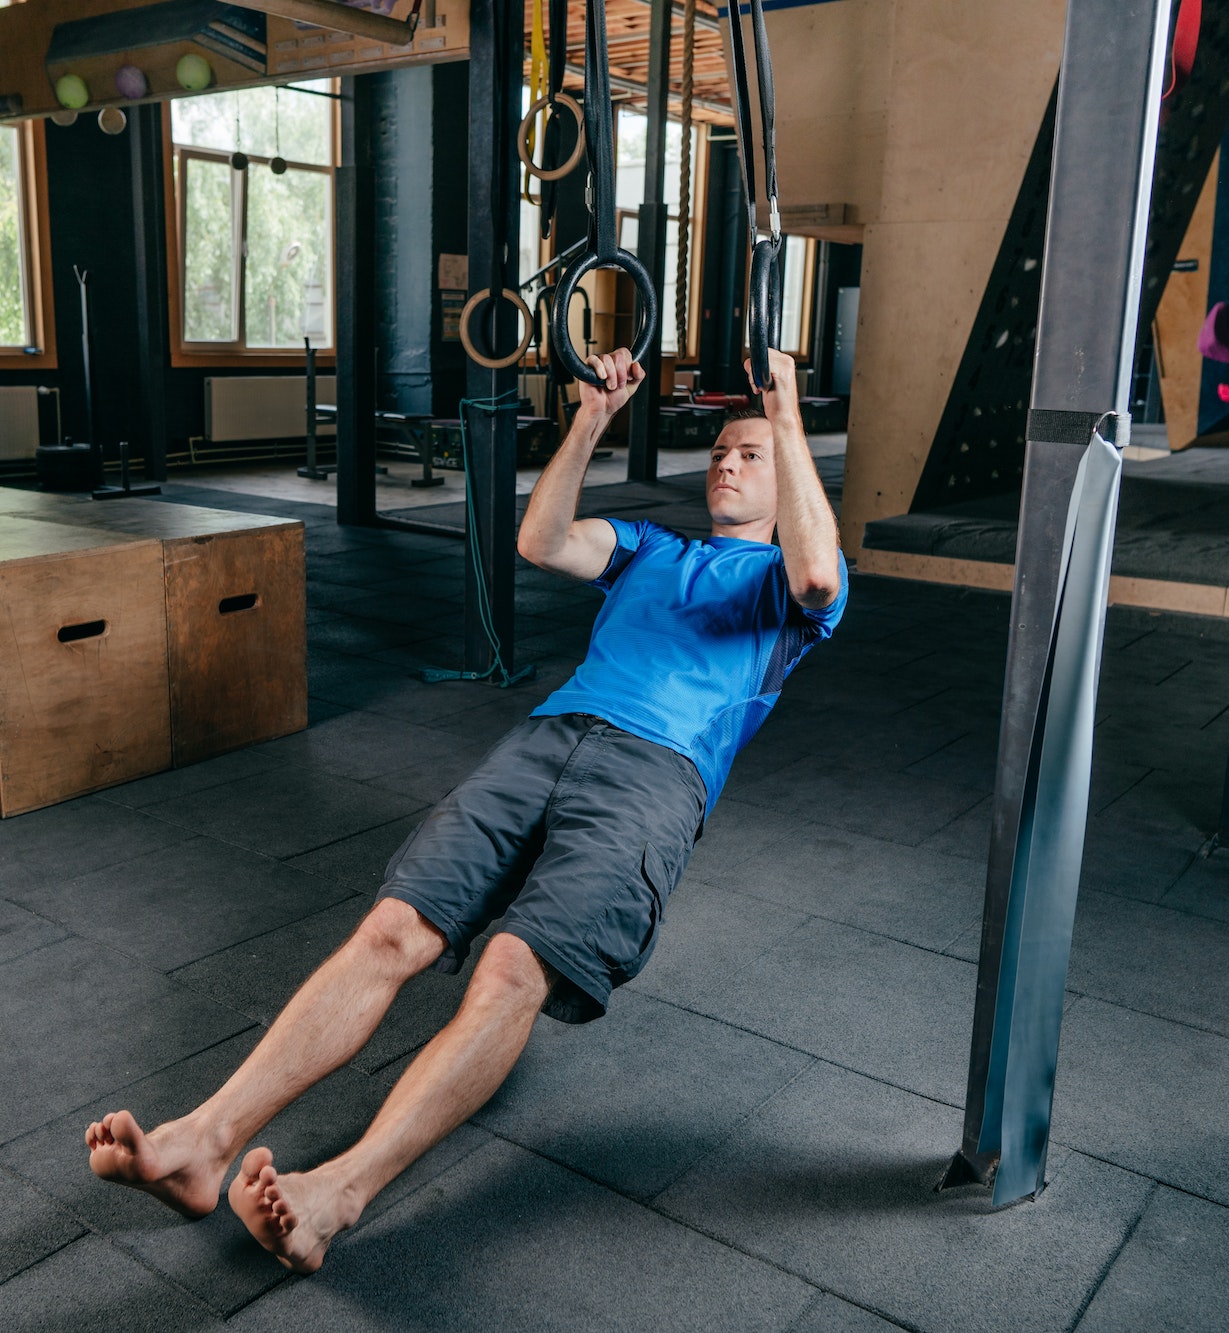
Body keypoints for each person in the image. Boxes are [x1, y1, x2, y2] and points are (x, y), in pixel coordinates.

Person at [84, 345, 846, 1273]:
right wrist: (591, 417)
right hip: (545, 738)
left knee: (511, 971)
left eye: (751, 453)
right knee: (390, 931)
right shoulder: (652, 549)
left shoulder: (788, 590)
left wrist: (790, 418)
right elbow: (541, 541)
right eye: (723, 449)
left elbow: (814, 574)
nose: (728, 461)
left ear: (787, 475)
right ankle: (202, 1141)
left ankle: (339, 1193)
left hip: (655, 777)